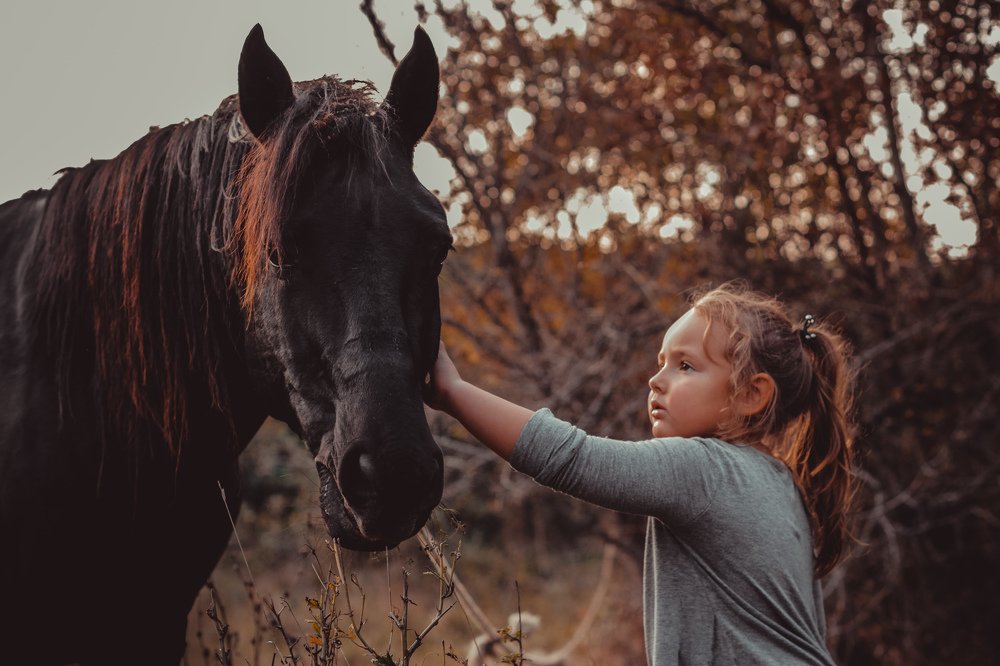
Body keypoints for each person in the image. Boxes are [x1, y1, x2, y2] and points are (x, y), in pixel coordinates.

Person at [426, 281, 856, 665]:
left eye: (685, 366)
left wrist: (454, 393)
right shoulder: (783, 483)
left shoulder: (703, 468)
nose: (655, 380)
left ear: (750, 394)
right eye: (661, 362)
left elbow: (572, 458)